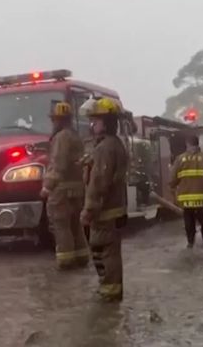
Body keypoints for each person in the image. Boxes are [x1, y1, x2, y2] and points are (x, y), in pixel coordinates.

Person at [80, 97, 129, 303]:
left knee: (104, 250)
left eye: (97, 121)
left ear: (107, 123)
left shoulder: (105, 148)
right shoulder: (113, 144)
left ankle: (110, 292)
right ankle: (110, 289)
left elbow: (99, 182)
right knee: (107, 250)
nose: (92, 125)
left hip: (104, 211)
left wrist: (88, 210)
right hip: (114, 209)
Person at [40, 101, 89, 270]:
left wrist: (48, 186)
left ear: (58, 120)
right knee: (76, 224)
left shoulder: (61, 137)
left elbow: (58, 163)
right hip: (77, 188)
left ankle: (66, 260)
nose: (53, 123)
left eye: (54, 120)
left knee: (61, 224)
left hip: (60, 190)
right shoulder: (75, 136)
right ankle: (82, 256)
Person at [170, 135, 203, 250]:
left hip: (186, 198)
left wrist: (172, 190)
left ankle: (190, 244)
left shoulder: (179, 159)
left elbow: (173, 179)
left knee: (189, 222)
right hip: (202, 198)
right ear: (198, 144)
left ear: (187, 144)